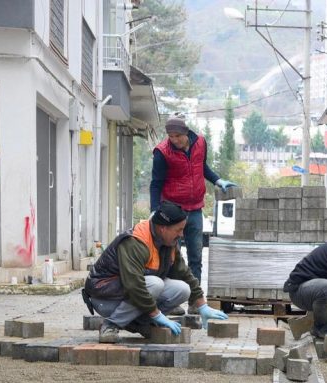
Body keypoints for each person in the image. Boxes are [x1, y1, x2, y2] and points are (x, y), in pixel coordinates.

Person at [83, 201, 229, 343]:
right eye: (178, 230)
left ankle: (141, 323)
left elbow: (184, 273)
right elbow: (134, 286)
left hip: (129, 294)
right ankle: (110, 325)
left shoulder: (169, 242)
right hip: (103, 297)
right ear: (163, 228)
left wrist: (202, 305)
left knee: (183, 289)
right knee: (155, 284)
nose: (182, 234)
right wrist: (157, 315)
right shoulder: (136, 242)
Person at [150, 115, 236, 285]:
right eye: (171, 137)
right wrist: (154, 211)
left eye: (178, 136)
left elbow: (202, 166)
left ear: (186, 132)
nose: (174, 140)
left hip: (195, 209)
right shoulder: (162, 152)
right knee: (171, 256)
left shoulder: (201, 143)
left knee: (195, 256)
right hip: (173, 211)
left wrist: (218, 180)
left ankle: (194, 300)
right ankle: (171, 298)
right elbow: (156, 183)